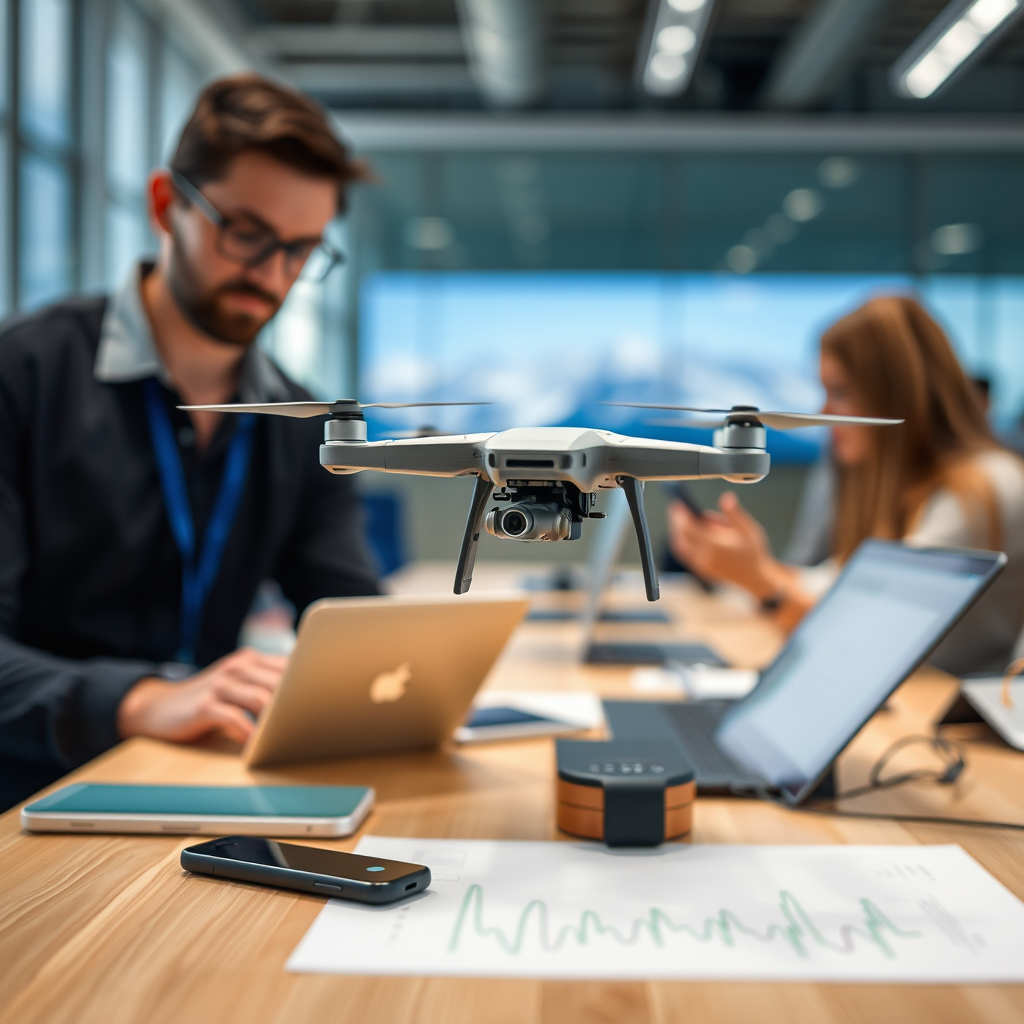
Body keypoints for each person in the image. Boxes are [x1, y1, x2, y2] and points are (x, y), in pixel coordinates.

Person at [0, 75, 380, 810]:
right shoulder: (23, 376)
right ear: (165, 204)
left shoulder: (300, 421)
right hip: (29, 794)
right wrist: (138, 699)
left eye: (300, 251)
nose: (271, 274)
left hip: (200, 786)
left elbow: (350, 614)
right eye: (246, 233)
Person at [668, 295, 1024, 677]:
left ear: (898, 395)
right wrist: (750, 566)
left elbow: (867, 637)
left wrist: (761, 580)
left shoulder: (980, 488)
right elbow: (832, 586)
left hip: (945, 719)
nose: (824, 413)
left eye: (840, 391)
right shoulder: (912, 487)